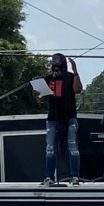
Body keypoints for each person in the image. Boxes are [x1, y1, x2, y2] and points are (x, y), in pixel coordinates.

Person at [34, 52, 83, 185]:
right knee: (50, 148)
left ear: (62, 62)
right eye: (53, 60)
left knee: (72, 147)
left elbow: (78, 90)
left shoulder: (70, 77)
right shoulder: (49, 79)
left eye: (57, 60)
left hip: (69, 117)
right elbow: (42, 100)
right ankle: (49, 177)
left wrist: (75, 71)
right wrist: (36, 95)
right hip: (53, 118)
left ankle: (75, 176)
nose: (55, 62)